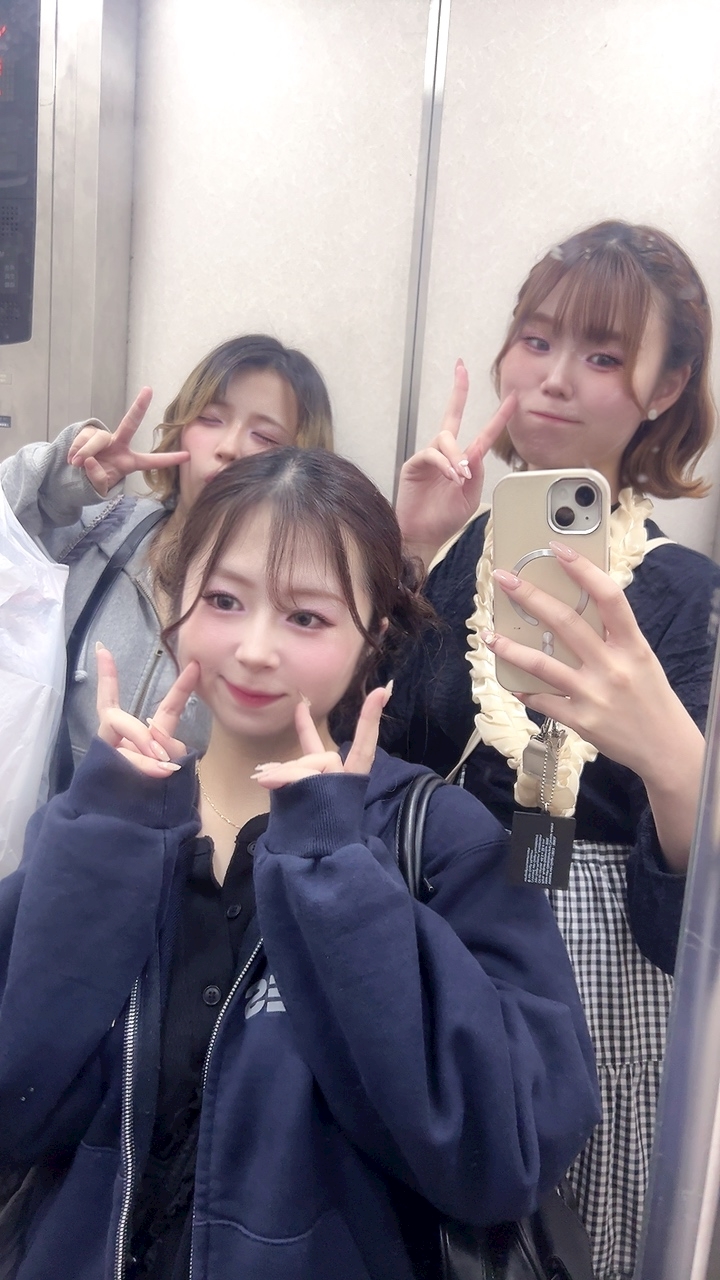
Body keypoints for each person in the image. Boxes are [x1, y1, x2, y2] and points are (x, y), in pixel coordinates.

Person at [0, 447, 600, 1280]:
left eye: (307, 618)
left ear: (373, 637)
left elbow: (507, 1152)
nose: (254, 648)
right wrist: (102, 835)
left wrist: (335, 871)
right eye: (224, 600)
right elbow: (18, 1113)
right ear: (172, 599)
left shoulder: (440, 837)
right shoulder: (102, 824)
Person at [388, 219, 720, 1280]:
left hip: (593, 984)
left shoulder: (687, 598)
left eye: (603, 355)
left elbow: (683, 935)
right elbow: (368, 750)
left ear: (668, 387)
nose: (555, 377)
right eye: (536, 340)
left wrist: (674, 761)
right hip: (433, 947)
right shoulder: (454, 557)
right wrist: (408, 550)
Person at [0, 333, 333, 787]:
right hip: (44, 824)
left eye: (265, 436)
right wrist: (66, 475)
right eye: (210, 418)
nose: (229, 447)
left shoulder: (300, 606)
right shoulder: (100, 529)